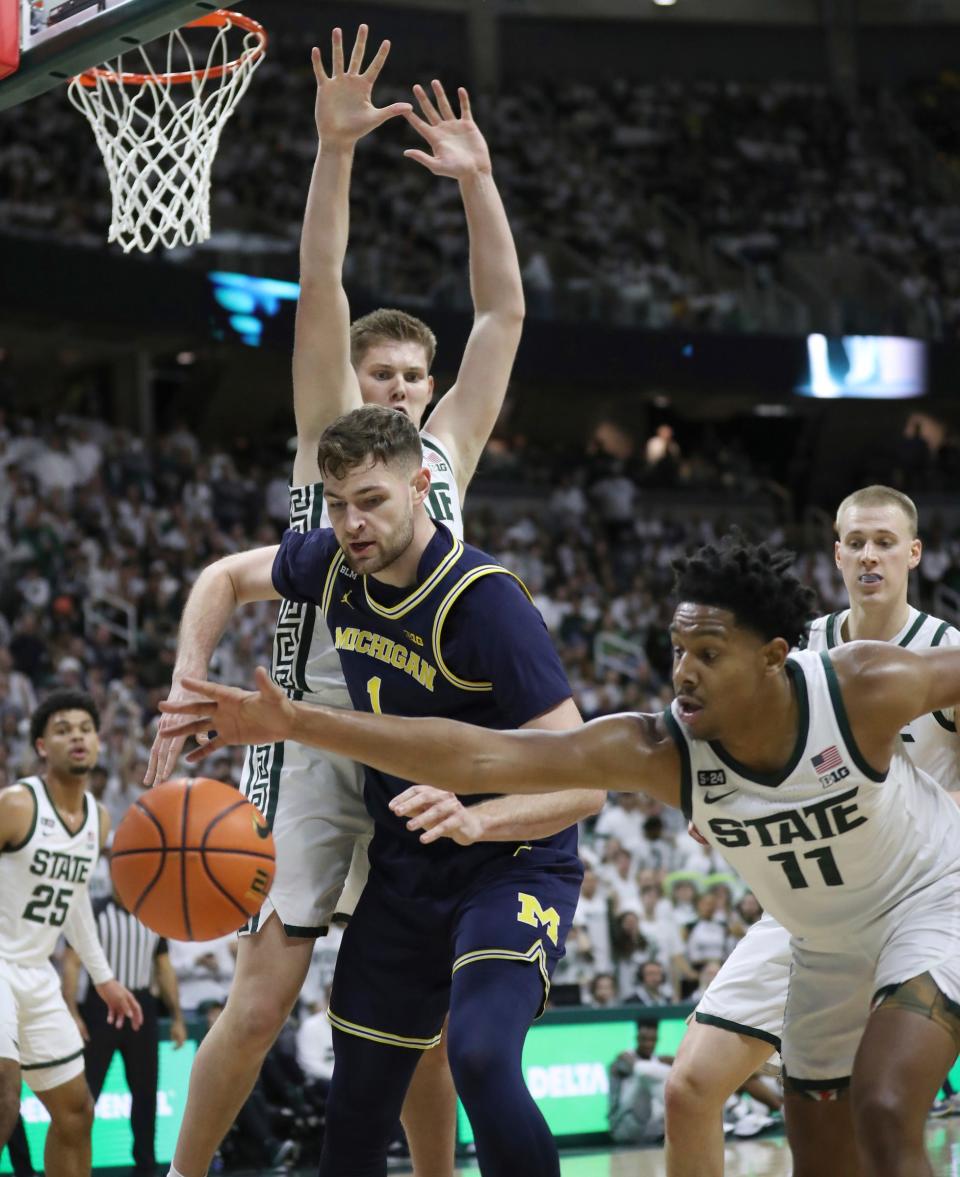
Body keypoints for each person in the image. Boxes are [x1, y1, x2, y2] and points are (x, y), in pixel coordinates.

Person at [164, 532, 960, 1177]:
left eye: (708, 653)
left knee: (887, 1110)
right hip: (820, 942)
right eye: (677, 648)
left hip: (930, 900)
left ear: (772, 655)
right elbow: (476, 756)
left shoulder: (863, 685)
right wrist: (298, 721)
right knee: (825, 1158)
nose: (683, 671)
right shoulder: (659, 748)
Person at [146, 24, 527, 1177]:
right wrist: (334, 155)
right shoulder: (329, 444)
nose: (406, 390)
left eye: (417, 376)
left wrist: (480, 185)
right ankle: (186, 1169)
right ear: (354, 386)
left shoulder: (447, 451)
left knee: (407, 1019)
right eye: (386, 375)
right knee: (264, 997)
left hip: (413, 736)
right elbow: (322, 282)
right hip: (307, 733)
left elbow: (502, 317)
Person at [162, 405, 601, 1175]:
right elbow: (222, 576)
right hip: (407, 869)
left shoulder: (484, 600)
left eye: (371, 500)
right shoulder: (334, 560)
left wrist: (479, 817)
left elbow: (587, 779)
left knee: (479, 1055)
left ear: (421, 486)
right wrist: (187, 677)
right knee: (355, 1112)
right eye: (337, 504)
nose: (352, 523)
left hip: (511, 862)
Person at [665, 484, 960, 1176]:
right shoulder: (796, 651)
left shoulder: (943, 650)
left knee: (882, 1110)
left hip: (923, 894)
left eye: (884, 542)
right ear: (835, 552)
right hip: (815, 903)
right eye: (855, 541)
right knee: (689, 1087)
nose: (868, 555)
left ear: (913, 554)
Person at [0, 690, 142, 1177]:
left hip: (35, 974)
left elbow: (75, 899)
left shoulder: (99, 819)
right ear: (42, 745)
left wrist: (103, 979)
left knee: (76, 1112)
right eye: (62, 729)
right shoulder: (16, 804)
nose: (77, 736)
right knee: (3, 1090)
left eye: (85, 727)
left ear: (98, 741)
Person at [62, 887, 188, 1177]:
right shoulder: (94, 910)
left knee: (145, 1095)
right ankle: (75, 1167)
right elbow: (71, 961)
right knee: (85, 1096)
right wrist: (72, 1012)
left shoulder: (153, 913)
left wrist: (178, 1017)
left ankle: (145, 1169)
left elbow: (164, 967)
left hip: (142, 1007)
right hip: (100, 1007)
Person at [608, 1020, 672, 1144]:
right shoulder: (623, 1059)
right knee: (643, 1074)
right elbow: (639, 1069)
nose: (648, 1044)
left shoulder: (659, 1060)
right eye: (644, 1039)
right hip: (624, 1124)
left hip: (654, 1128)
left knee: (662, 1077)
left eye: (652, 1040)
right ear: (637, 1038)